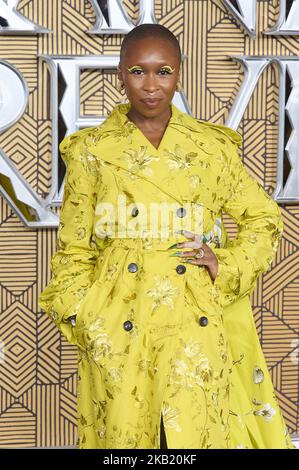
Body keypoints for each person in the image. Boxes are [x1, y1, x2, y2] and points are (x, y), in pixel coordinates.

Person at [38, 23, 295, 449]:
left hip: (193, 320)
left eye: (164, 72)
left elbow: (263, 219)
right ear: (120, 73)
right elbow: (74, 248)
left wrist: (224, 264)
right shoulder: (91, 150)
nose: (151, 86)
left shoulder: (210, 148)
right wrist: (86, 318)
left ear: (179, 73)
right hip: (119, 323)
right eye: (139, 71)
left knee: (189, 439)